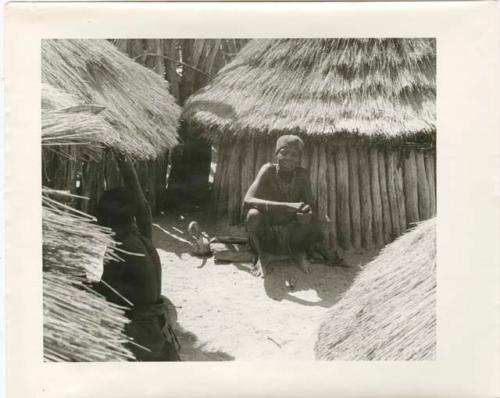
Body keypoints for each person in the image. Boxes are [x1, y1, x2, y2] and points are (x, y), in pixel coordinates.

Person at [93, 152, 180, 361]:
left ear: (105, 221)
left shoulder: (121, 248)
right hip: (157, 322)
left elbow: (108, 297)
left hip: (141, 332)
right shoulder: (140, 238)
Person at [243, 135, 344, 278]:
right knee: (253, 215)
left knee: (324, 224)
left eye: (294, 155)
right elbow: (247, 200)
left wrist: (307, 213)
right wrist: (287, 206)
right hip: (268, 221)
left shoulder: (302, 175)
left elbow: (310, 205)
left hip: (291, 224)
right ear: (276, 153)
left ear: (299, 158)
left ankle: (298, 251)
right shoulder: (267, 170)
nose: (289, 158)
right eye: (284, 152)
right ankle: (262, 255)